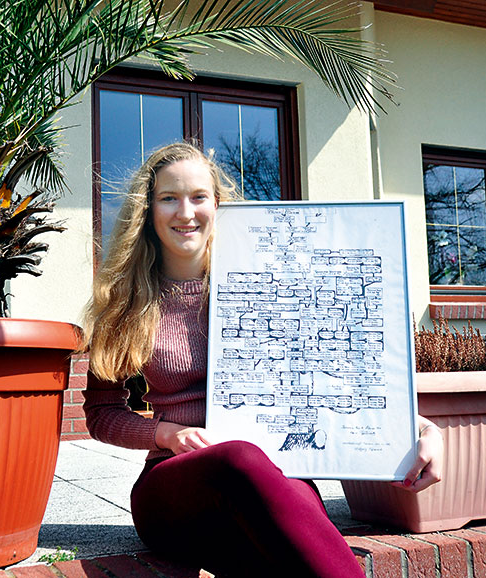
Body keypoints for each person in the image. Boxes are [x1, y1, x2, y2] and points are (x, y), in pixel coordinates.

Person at [81, 142, 444, 577]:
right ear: (148, 209)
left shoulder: (270, 282)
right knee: (242, 459)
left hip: (271, 476)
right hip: (176, 487)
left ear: (218, 205)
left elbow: (337, 373)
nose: (185, 212)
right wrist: (166, 434)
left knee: (287, 517)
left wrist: (423, 428)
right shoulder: (125, 301)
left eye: (198, 197)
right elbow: (101, 414)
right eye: (168, 198)